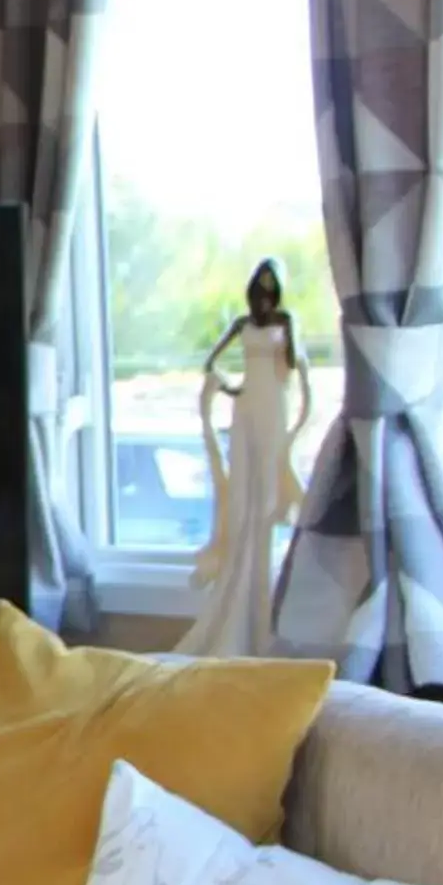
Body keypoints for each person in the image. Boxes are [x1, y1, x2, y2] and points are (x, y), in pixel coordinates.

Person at [177, 260, 313, 657]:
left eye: (273, 285)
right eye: (262, 285)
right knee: (243, 491)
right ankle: (237, 586)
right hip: (248, 404)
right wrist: (231, 388)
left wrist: (297, 427)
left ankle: (261, 597)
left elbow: (297, 369)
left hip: (274, 403)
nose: (267, 292)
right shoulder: (242, 324)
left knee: (269, 494)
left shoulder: (286, 322)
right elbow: (211, 361)